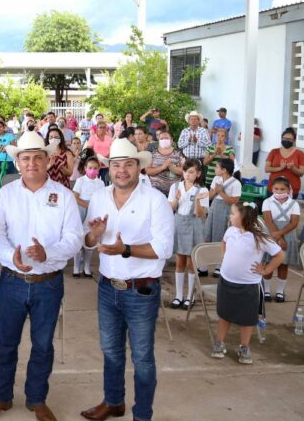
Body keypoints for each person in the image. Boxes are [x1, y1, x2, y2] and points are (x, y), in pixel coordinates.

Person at [0, 131, 83, 421]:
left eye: (38, 157)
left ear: (48, 160)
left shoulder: (63, 195)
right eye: (26, 158)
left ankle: (37, 399)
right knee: (5, 343)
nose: (32, 163)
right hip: (12, 281)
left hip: (48, 285)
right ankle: (0, 397)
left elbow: (75, 237)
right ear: (18, 162)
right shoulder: (7, 193)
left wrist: (47, 253)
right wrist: (7, 253)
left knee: (43, 345)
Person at [80, 138, 173, 421]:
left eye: (128, 165)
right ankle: (113, 402)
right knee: (110, 351)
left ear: (139, 167)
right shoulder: (99, 197)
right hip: (108, 288)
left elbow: (163, 249)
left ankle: (142, 414)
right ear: (109, 168)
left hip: (141, 290)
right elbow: (88, 241)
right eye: (117, 165)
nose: (122, 170)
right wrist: (95, 236)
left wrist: (126, 250)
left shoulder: (155, 200)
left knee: (142, 358)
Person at [210, 203, 283, 364]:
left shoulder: (259, 238)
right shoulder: (230, 231)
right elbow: (223, 242)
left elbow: (279, 255)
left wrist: (266, 270)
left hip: (249, 285)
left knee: (247, 318)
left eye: (233, 214)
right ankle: (219, 342)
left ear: (243, 217)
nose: (230, 216)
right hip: (226, 280)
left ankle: (244, 347)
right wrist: (224, 255)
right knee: (224, 314)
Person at [167, 159, 209, 310]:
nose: (187, 175)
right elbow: (170, 208)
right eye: (185, 171)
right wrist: (177, 198)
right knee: (179, 262)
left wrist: (197, 201)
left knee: (191, 263)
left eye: (191, 172)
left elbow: (201, 215)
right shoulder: (175, 187)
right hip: (179, 223)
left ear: (198, 174)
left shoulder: (202, 191)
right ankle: (179, 295)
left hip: (194, 226)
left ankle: (190, 295)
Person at [261, 177, 300, 303]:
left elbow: (294, 223)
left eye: (282, 189)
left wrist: (281, 234)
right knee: (269, 262)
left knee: (283, 264)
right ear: (272, 189)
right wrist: (279, 237)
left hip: (287, 234)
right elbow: (268, 220)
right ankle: (266, 290)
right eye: (276, 189)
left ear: (289, 190)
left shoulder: (294, 204)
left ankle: (279, 291)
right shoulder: (267, 201)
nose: (279, 191)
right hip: (271, 233)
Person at [204, 158, 242, 279]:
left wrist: (221, 192)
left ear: (224, 170)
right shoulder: (216, 179)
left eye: (217, 167)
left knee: (222, 236)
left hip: (226, 210)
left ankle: (219, 266)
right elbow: (210, 196)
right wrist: (212, 192)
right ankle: (204, 265)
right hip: (215, 207)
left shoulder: (236, 183)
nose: (215, 169)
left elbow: (234, 201)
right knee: (208, 234)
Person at [72, 156, 104, 278]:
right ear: (85, 168)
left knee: (91, 237)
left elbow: (101, 198)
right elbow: (75, 197)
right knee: (79, 236)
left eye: (95, 168)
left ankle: (87, 267)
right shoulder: (81, 181)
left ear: (99, 169)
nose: (92, 170)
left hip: (94, 211)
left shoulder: (100, 183)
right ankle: (76, 267)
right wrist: (87, 205)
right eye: (90, 168)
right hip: (82, 208)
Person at [265, 127, 304, 198]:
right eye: (284, 138)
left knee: (288, 208)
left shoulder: (300, 154)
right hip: (274, 188)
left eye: (289, 139)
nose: (286, 141)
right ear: (281, 139)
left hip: (292, 189)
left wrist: (293, 168)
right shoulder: (274, 152)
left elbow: (301, 173)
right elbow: (266, 169)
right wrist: (280, 168)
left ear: (294, 141)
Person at [145, 130, 182, 196]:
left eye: (166, 138)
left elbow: (184, 171)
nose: (164, 140)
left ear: (171, 140)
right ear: (158, 140)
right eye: (161, 139)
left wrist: (172, 167)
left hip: (174, 192)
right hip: (155, 191)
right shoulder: (153, 153)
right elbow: (148, 171)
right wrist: (163, 167)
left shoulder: (179, 153)